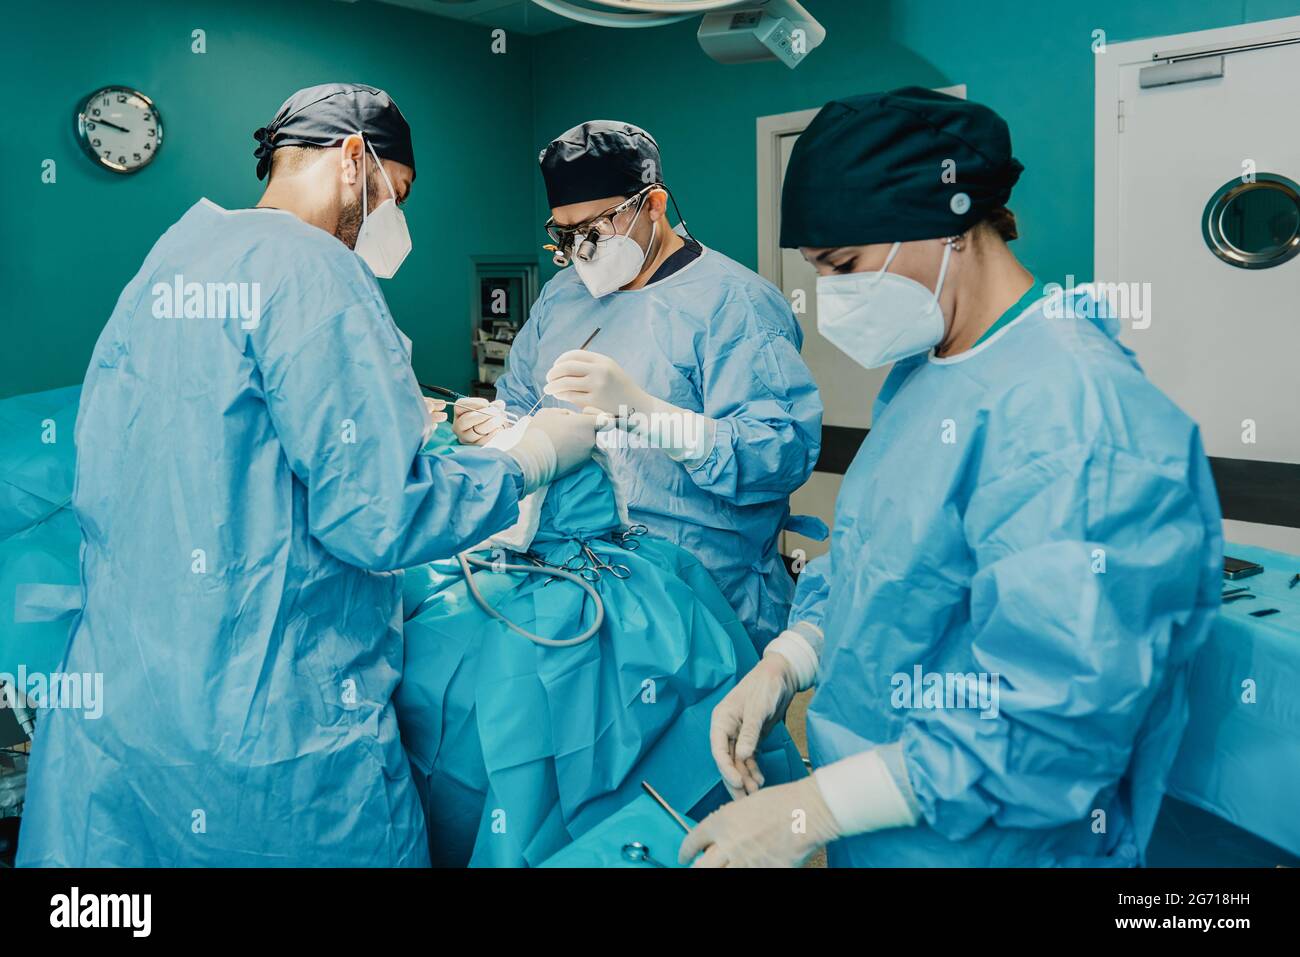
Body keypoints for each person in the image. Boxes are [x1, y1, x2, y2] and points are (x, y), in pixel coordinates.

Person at [17, 83, 595, 867]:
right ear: (354, 158)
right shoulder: (313, 269)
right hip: (266, 731)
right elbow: (381, 515)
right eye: (400, 194)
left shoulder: (176, 257)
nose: (396, 221)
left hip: (129, 699)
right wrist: (527, 460)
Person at [684, 87, 1222, 867]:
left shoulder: (1077, 416)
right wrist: (789, 659)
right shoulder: (928, 369)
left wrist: (814, 807)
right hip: (888, 825)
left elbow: (1055, 721)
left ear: (951, 226)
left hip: (1000, 843)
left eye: (845, 266)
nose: (832, 296)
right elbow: (885, 564)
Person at [455, 120, 823, 656]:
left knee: (709, 736)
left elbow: (778, 455)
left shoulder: (735, 303)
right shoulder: (563, 296)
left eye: (596, 227)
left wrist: (646, 412)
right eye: (565, 232)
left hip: (704, 593)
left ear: (653, 203)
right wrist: (496, 426)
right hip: (579, 581)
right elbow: (519, 399)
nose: (580, 249)